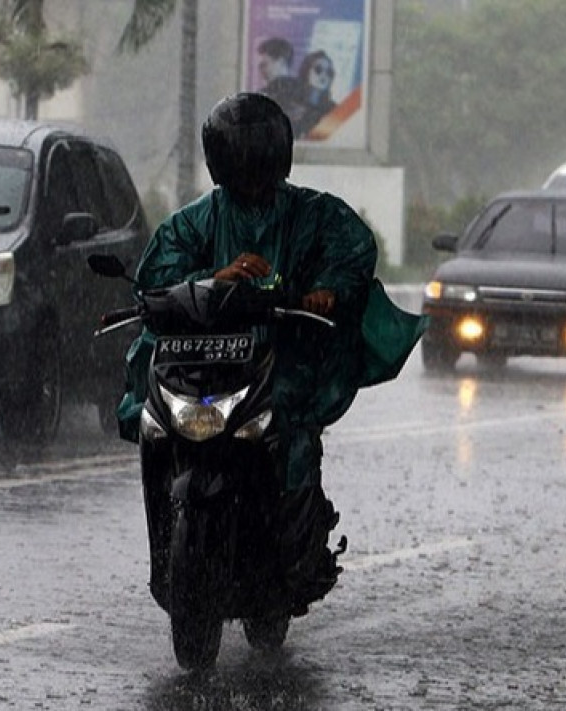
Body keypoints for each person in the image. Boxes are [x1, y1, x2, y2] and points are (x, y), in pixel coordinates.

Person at [116, 92, 426, 611]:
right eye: (240, 158)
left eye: (259, 157)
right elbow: (158, 277)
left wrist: (327, 288)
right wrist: (214, 279)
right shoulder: (195, 223)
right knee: (156, 424)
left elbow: (351, 249)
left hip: (279, 360)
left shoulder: (312, 215)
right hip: (199, 365)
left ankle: (294, 545)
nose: (250, 170)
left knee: (292, 436)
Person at [255, 36, 303, 117]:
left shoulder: (302, 93)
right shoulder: (304, 90)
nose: (261, 70)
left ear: (280, 62)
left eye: (264, 65)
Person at [293, 50, 337, 138]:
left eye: (329, 72)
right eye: (318, 69)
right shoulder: (292, 104)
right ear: (306, 71)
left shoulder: (334, 110)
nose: (324, 75)